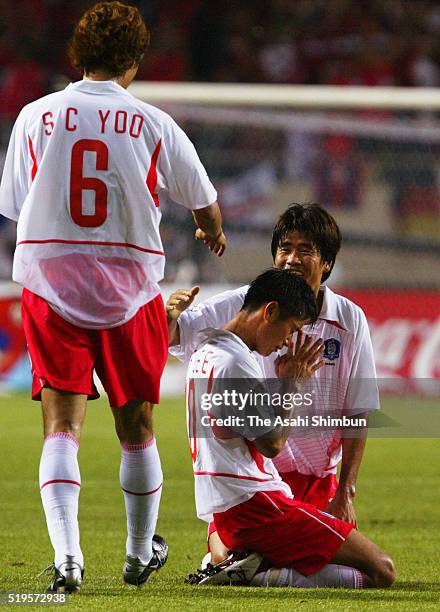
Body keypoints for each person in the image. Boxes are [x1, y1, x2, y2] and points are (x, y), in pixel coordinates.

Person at [0, 1, 226, 593]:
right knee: (137, 426)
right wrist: (212, 230)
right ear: (133, 60)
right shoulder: (152, 122)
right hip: (129, 291)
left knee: (60, 426)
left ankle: (69, 559)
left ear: (78, 55)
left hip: (52, 286)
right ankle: (135, 554)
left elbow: (17, 208)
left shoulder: (34, 116)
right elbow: (203, 198)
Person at [167, 203, 378, 563]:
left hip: (318, 484)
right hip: (257, 478)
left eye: (305, 250)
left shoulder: (349, 320)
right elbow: (176, 334)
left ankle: (230, 557)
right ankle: (226, 551)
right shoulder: (245, 304)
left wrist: (346, 492)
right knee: (358, 567)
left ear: (326, 263)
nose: (292, 259)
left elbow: (357, 411)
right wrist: (171, 312)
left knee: (333, 560)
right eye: (285, 248)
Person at [185, 269, 394, 588]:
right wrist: (292, 384)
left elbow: (241, 425)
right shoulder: (235, 362)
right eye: (290, 329)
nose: (287, 341)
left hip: (228, 504)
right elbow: (272, 443)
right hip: (256, 506)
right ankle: (260, 575)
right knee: (380, 570)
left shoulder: (205, 353)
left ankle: (243, 563)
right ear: (269, 312)